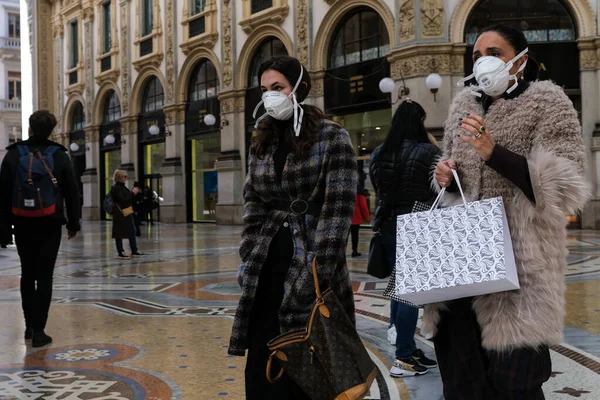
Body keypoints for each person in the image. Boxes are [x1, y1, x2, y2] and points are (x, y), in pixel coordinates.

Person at [429, 24, 588, 399]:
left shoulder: (548, 102)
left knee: (516, 381)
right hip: (461, 259)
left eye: (495, 53)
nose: (483, 62)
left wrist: (493, 153)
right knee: (462, 376)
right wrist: (444, 177)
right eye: (477, 55)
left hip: (518, 268)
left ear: (520, 60)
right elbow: (454, 176)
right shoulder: (462, 105)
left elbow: (564, 186)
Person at [229, 56, 357, 399]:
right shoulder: (262, 140)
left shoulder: (332, 136)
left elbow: (338, 209)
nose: (270, 97)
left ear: (299, 89)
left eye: (277, 88)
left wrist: (320, 268)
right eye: (264, 90)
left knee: (311, 358)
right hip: (267, 264)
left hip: (312, 268)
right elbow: (253, 201)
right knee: (263, 359)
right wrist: (247, 257)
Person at [370, 99, 440, 377]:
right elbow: (438, 191)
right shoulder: (429, 151)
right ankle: (404, 359)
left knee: (400, 287)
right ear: (419, 121)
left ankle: (406, 344)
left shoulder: (378, 153)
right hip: (418, 224)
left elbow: (378, 189)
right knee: (410, 294)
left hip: (387, 225)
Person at [0, 110, 80, 348]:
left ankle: (29, 325)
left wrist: (4, 230)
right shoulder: (59, 155)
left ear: (30, 127)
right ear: (52, 130)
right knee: (45, 276)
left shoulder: (13, 155)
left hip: (22, 222)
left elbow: (2, 194)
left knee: (28, 273)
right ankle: (40, 330)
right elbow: (72, 192)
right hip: (50, 222)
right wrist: (73, 223)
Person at [111, 170, 144, 259]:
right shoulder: (116, 188)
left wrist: (135, 193)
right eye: (124, 176)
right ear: (119, 177)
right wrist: (132, 192)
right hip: (119, 213)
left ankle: (134, 250)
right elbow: (123, 200)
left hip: (127, 211)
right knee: (119, 233)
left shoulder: (123, 187)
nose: (126, 178)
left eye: (126, 176)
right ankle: (121, 251)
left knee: (132, 230)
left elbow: (128, 199)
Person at [350, 187, 370, 257]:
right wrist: (367, 217)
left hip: (346, 218)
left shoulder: (350, 193)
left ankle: (341, 251)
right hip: (354, 218)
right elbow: (363, 206)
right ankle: (354, 251)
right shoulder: (360, 195)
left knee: (344, 236)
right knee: (354, 235)